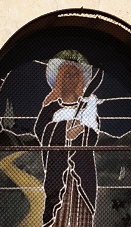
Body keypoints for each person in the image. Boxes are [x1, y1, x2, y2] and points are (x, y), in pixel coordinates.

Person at [34, 52, 101, 227]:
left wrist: (81, 130)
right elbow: (40, 132)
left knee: (81, 215)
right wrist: (64, 130)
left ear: (80, 80)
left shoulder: (87, 106)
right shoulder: (51, 108)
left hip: (82, 172)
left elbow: (93, 136)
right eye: (66, 75)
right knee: (57, 214)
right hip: (57, 169)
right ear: (59, 79)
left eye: (75, 76)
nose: (70, 80)